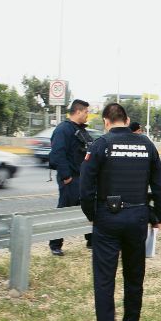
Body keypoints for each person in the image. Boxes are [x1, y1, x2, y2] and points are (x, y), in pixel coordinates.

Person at [80, 103, 161, 321]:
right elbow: (159, 186)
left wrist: (92, 216)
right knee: (134, 276)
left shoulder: (100, 145)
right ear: (127, 120)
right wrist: (157, 215)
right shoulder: (147, 145)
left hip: (107, 217)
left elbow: (85, 187)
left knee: (104, 280)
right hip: (137, 216)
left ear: (107, 121)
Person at [49, 99, 94, 256]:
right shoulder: (63, 130)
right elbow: (57, 155)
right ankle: (55, 244)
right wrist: (66, 177)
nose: (88, 115)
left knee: (88, 208)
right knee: (64, 210)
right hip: (71, 178)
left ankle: (91, 240)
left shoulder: (82, 130)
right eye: (86, 112)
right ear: (79, 111)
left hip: (83, 178)